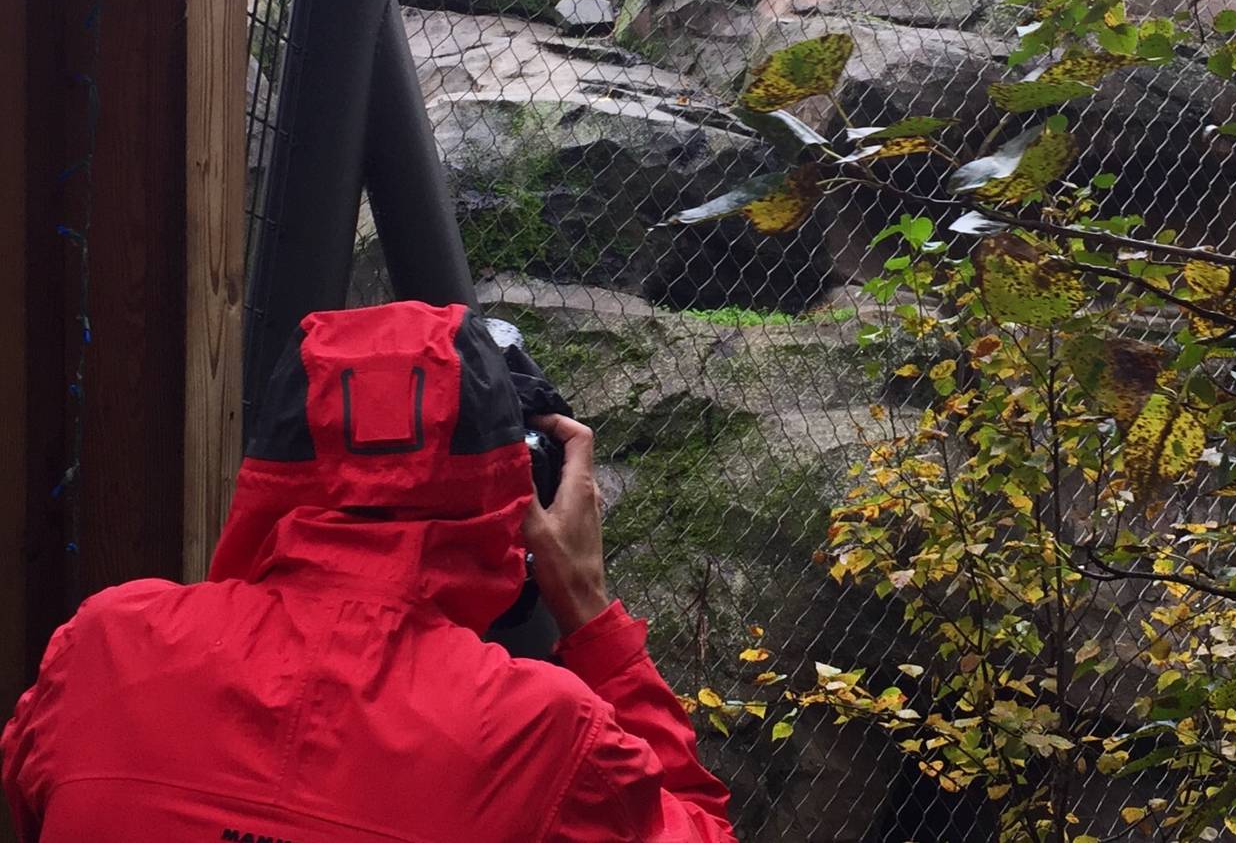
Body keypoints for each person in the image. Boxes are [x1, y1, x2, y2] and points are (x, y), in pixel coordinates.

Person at [2, 300, 737, 841]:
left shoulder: (104, 644)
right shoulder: (545, 736)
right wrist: (589, 610)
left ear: (273, 473)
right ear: (514, 498)